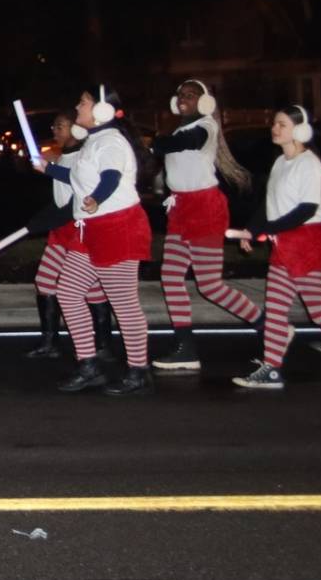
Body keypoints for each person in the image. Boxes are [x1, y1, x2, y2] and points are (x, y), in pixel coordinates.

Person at [39, 85, 155, 396]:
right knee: (68, 292)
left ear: (102, 110)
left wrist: (96, 198)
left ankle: (139, 371)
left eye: (83, 103)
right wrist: (48, 169)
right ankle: (89, 366)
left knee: (124, 304)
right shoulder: (94, 141)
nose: (77, 107)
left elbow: (110, 177)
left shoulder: (111, 141)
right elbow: (78, 178)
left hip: (117, 228)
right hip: (89, 229)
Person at [151, 79, 259, 372]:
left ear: (205, 102)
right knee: (171, 276)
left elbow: (184, 143)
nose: (183, 97)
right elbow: (173, 147)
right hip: (180, 209)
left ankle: (269, 327)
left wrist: (155, 143)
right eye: (180, 94)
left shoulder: (206, 127)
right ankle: (186, 347)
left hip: (204, 209)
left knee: (210, 286)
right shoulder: (180, 129)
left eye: (191, 94)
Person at [233, 105, 321, 389]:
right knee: (276, 309)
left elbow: (306, 210)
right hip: (285, 245)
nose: (274, 129)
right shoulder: (280, 162)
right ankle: (272, 369)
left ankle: (272, 367)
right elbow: (269, 206)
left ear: (300, 130)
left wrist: (267, 230)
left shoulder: (309, 164)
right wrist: (251, 230)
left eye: (282, 124)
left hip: (309, 245)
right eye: (275, 123)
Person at [24, 111, 113, 360]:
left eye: (60, 126)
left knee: (93, 289)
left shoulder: (83, 158)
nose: (54, 130)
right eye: (54, 126)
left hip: (78, 229)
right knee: (45, 282)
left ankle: (102, 346)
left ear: (75, 129)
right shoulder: (65, 155)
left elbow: (75, 197)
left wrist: (43, 220)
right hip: (60, 231)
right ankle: (50, 342)